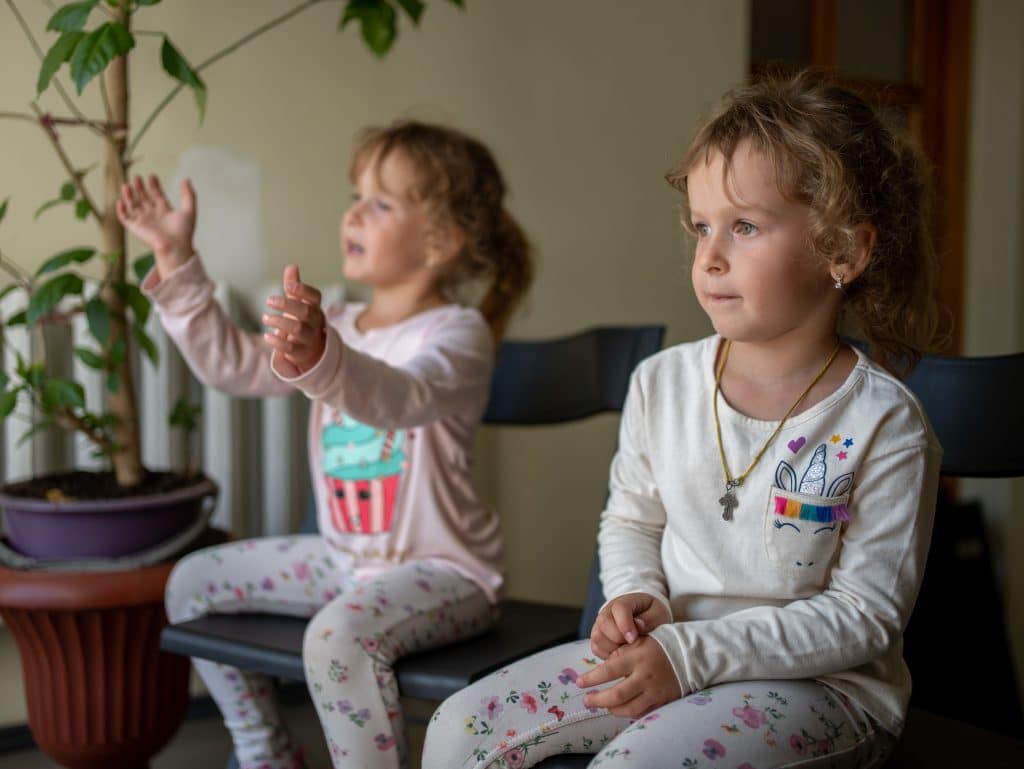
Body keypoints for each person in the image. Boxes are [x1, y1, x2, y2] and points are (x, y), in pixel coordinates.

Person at [422, 71, 942, 769]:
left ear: (843, 251)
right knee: (458, 729)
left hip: (823, 689)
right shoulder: (660, 383)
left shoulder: (886, 424)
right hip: (665, 651)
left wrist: (690, 654)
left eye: (745, 226)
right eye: (702, 226)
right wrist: (638, 594)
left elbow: (863, 616)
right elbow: (632, 520)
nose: (710, 256)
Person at [117, 119, 532, 769]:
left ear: (443, 239)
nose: (354, 214)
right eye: (355, 196)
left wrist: (322, 358)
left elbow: (400, 396)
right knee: (192, 582)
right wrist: (175, 260)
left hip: (446, 573)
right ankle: (266, 753)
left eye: (381, 203)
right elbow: (232, 366)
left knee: (336, 637)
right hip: (343, 560)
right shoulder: (336, 322)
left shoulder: (458, 334)